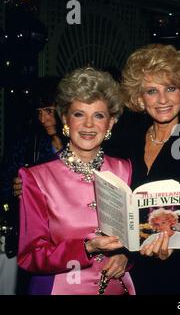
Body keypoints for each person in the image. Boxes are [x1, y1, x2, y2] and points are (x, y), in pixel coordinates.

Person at [17, 67, 135, 295]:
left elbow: (137, 236)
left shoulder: (125, 169)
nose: (89, 125)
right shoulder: (37, 177)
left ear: (111, 123)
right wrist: (87, 247)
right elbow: (30, 255)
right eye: (79, 114)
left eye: (98, 115)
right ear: (65, 119)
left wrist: (126, 257)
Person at [120, 43, 180, 294]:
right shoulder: (127, 141)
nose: (162, 100)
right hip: (132, 272)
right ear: (139, 97)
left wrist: (175, 247)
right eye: (151, 91)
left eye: (171, 88)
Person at [0, 76, 64, 294]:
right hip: (38, 245)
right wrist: (15, 189)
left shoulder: (83, 142)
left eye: (48, 110)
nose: (44, 119)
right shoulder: (28, 145)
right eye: (38, 112)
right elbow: (5, 187)